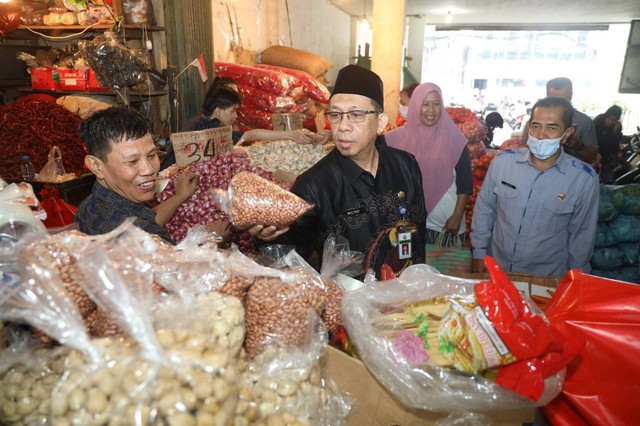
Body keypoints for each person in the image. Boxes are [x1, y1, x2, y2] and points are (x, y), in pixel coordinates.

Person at [250, 64, 427, 278]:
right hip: (351, 304)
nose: (342, 126)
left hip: (407, 297)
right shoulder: (314, 185)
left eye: (356, 114)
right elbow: (286, 248)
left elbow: (417, 234)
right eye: (335, 115)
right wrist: (266, 236)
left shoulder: (405, 166)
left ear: (380, 122)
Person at [470, 96, 599, 276]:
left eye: (552, 128)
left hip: (547, 277)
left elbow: (582, 236)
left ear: (568, 132)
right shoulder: (503, 163)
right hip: (497, 269)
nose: (540, 135)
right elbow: (485, 209)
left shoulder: (583, 178)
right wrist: (478, 253)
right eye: (536, 126)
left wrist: (575, 278)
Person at [75, 106, 200, 243]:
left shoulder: (89, 206)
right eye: (132, 161)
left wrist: (179, 197)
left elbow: (146, 219)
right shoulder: (143, 239)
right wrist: (214, 240)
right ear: (96, 166)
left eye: (152, 155)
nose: (149, 170)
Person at [386, 82, 472, 247]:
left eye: (436, 104)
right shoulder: (400, 138)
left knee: (444, 272)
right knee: (414, 271)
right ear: (416, 106)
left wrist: (457, 216)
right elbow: (369, 144)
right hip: (411, 225)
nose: (431, 110)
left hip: (446, 224)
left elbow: (465, 183)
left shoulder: (455, 139)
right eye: (425, 104)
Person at [162, 86, 329, 170]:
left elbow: (248, 135)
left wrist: (291, 134)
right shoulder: (206, 129)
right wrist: (291, 135)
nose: (236, 116)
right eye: (233, 110)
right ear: (218, 110)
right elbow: (251, 135)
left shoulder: (203, 121)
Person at [546, 77, 598, 147]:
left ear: (571, 95)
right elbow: (526, 146)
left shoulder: (584, 122)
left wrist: (578, 145)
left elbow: (592, 154)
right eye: (554, 101)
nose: (559, 106)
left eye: (564, 101)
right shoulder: (536, 120)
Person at [594, 104, 623, 182]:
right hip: (595, 157)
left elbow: (615, 144)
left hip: (608, 160)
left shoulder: (617, 126)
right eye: (608, 118)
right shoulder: (598, 122)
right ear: (605, 116)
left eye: (613, 120)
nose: (610, 122)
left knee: (607, 182)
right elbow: (599, 141)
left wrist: (615, 132)